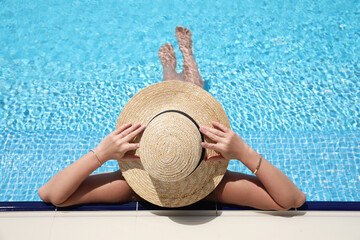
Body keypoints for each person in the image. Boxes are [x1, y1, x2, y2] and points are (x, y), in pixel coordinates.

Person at [38, 26, 306, 210]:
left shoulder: (131, 188)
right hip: (204, 163)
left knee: (179, 102)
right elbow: (293, 200)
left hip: (150, 167)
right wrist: (244, 152)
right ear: (209, 149)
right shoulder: (216, 187)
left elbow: (52, 194)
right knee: (190, 96)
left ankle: (171, 66)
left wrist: (100, 153)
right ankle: (186, 56)